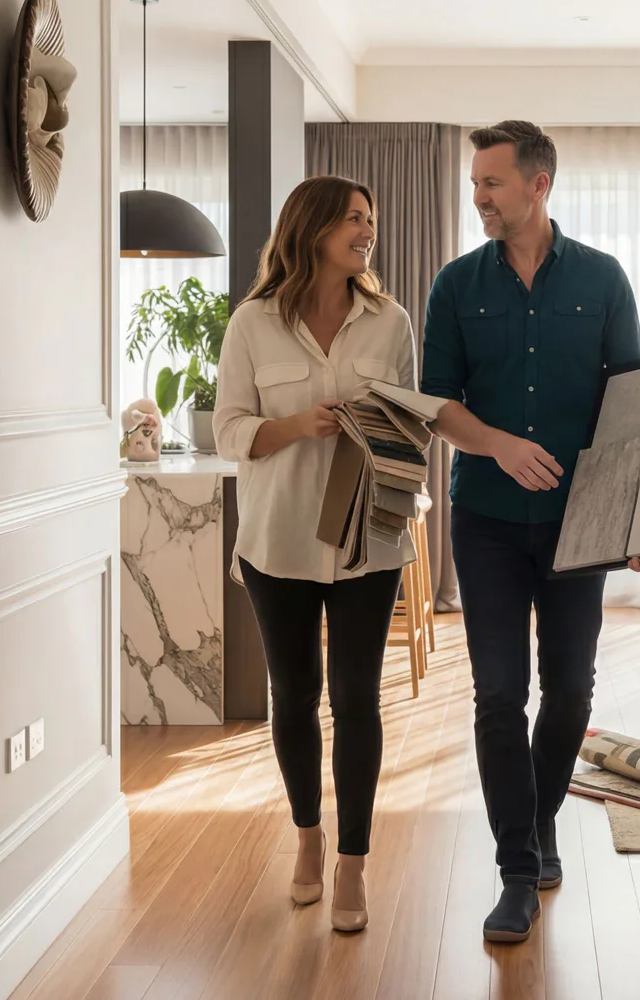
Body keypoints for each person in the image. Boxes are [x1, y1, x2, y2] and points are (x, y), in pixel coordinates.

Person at [421, 120, 640, 943]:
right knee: (496, 694)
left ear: (537, 184)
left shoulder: (602, 279)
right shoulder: (455, 285)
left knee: (572, 692)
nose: (478, 197)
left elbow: (630, 408)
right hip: (483, 518)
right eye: (475, 183)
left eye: (491, 182)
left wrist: (635, 515)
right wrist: (500, 443)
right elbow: (438, 402)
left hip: (578, 522)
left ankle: (540, 813)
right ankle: (517, 866)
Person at [212, 175, 418, 935]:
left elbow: (408, 428)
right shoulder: (252, 324)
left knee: (357, 699)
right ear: (315, 226)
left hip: (368, 541)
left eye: (371, 217)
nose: (368, 229)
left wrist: (388, 438)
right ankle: (308, 838)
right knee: (294, 696)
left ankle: (354, 863)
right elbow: (228, 429)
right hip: (279, 540)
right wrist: (298, 424)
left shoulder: (390, 320)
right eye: (354, 218)